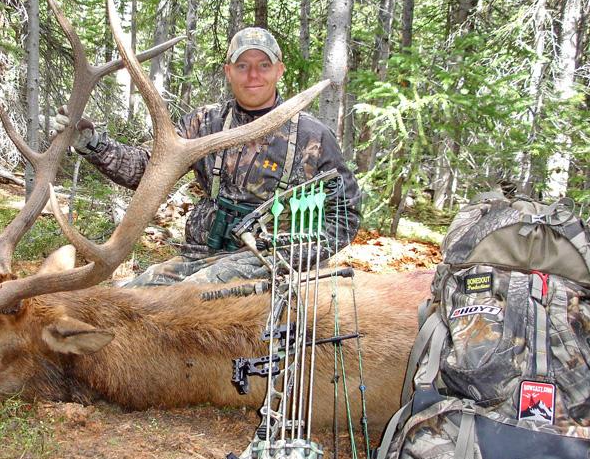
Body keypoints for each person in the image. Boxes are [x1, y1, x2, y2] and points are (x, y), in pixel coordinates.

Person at [54, 27, 362, 286]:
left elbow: (344, 216)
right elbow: (147, 170)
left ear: (279, 70)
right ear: (228, 71)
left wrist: (290, 254)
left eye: (263, 65)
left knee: (190, 299)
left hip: (271, 265)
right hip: (198, 256)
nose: (253, 74)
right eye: (242, 65)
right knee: (132, 298)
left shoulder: (313, 136)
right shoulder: (205, 122)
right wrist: (92, 143)